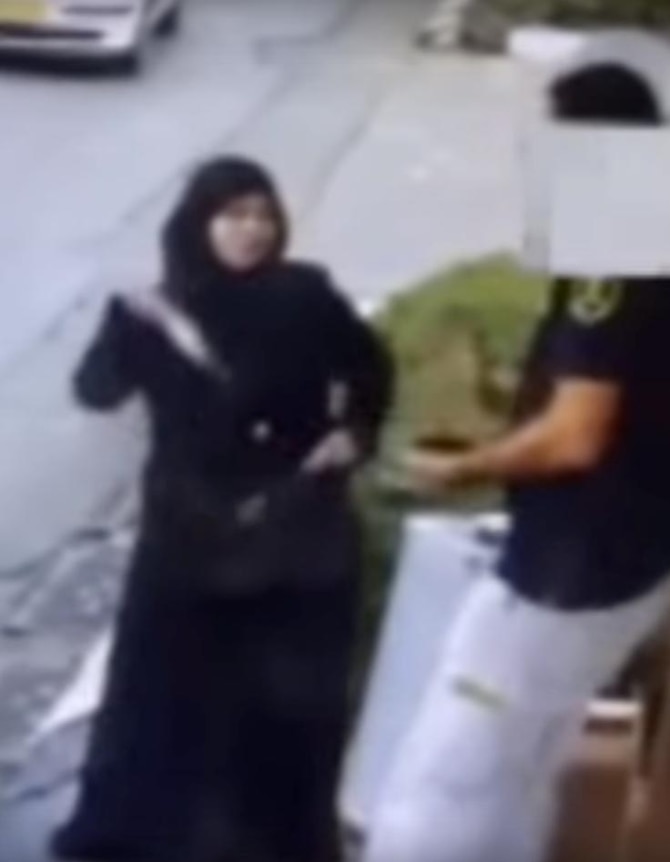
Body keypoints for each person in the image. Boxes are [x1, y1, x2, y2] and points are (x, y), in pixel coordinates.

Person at [363, 65, 670, 862]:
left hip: (572, 569)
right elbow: (651, 401)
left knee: (448, 775)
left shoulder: (610, 264)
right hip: (638, 565)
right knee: (523, 763)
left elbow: (575, 436)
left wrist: (461, 469)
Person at [52, 156, 394, 862]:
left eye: (264, 215)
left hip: (294, 531)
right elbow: (94, 392)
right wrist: (121, 338)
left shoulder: (306, 295)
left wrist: (352, 435)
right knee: (164, 697)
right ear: (198, 222)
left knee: (282, 710)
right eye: (234, 215)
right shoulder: (150, 313)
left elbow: (369, 368)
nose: (252, 231)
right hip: (189, 534)